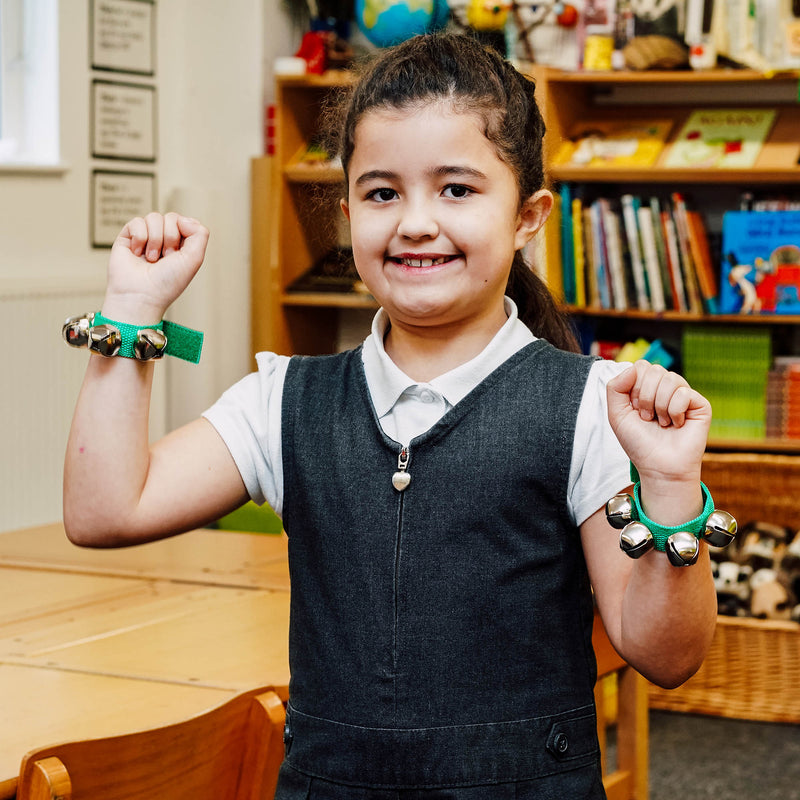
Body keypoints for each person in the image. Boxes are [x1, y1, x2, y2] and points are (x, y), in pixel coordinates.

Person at [64, 32, 718, 799]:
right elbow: (105, 509)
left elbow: (667, 656)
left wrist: (670, 487)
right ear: (346, 213)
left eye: (457, 190)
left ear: (529, 215)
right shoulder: (283, 399)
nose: (413, 222)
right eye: (382, 192)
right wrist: (134, 311)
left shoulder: (591, 406)